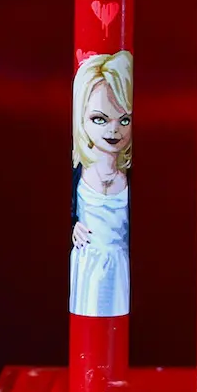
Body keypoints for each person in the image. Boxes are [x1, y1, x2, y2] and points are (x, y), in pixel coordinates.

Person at [69, 51, 132, 320]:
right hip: (85, 266)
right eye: (100, 119)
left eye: (124, 120)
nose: (113, 130)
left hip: (122, 268)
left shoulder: (131, 174)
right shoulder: (76, 171)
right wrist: (72, 225)